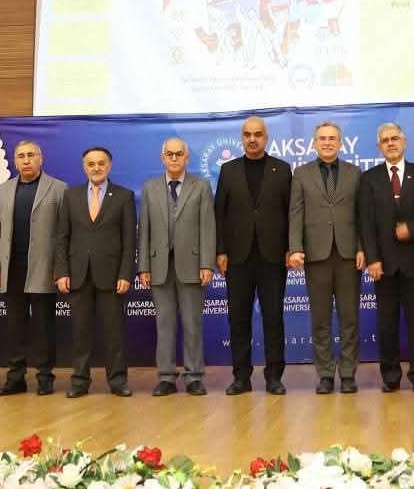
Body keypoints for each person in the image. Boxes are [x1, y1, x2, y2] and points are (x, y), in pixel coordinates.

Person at [358, 122, 414, 393]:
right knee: (387, 323)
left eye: (395, 138)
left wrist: (412, 228)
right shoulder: (369, 178)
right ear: (379, 147)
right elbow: (365, 223)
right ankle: (390, 376)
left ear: (404, 142)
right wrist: (372, 259)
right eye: (385, 140)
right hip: (383, 265)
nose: (391, 143)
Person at [214, 116, 293, 395]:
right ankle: (241, 377)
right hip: (238, 257)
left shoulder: (282, 169)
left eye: (257, 134)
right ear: (241, 138)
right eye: (247, 134)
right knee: (238, 319)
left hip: (273, 256)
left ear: (266, 138)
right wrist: (220, 250)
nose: (252, 139)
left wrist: (290, 248)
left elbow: (290, 214)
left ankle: (274, 376)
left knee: (273, 318)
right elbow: (219, 214)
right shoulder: (228, 170)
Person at [0, 139, 68, 396]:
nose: (26, 160)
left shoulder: (58, 189)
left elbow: (64, 233)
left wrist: (61, 267)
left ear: (41, 159)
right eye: (21, 156)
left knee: (43, 326)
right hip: (12, 268)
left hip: (44, 267)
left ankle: (45, 376)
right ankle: (16, 377)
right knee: (15, 327)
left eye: (31, 155)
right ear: (15, 160)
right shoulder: (4, 190)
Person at [288, 122, 364, 395]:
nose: (327, 143)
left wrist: (362, 247)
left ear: (341, 143)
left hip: (347, 255)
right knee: (320, 319)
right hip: (315, 255)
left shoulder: (355, 173)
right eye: (322, 139)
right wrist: (294, 247)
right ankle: (324, 374)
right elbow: (295, 212)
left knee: (349, 318)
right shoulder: (301, 173)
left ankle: (347, 373)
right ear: (314, 143)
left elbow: (362, 215)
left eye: (332, 139)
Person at [55, 146, 136, 398]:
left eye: (101, 163)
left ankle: (118, 380)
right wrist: (62, 271)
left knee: (114, 332)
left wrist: (125, 273)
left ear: (109, 166)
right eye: (91, 164)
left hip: (112, 276)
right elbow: (62, 237)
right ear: (84, 168)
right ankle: (79, 381)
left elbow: (129, 240)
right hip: (78, 274)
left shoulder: (123, 196)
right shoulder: (71, 196)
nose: (96, 167)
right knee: (81, 333)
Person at [139, 138, 217, 396]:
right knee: (164, 323)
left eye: (179, 154)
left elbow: (208, 227)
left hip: (193, 265)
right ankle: (166, 377)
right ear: (162, 158)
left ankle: (194, 376)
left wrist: (207, 263)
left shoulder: (201, 186)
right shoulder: (150, 188)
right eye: (169, 154)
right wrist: (144, 267)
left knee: (193, 323)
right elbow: (145, 230)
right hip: (159, 266)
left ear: (187, 158)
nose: (174, 158)